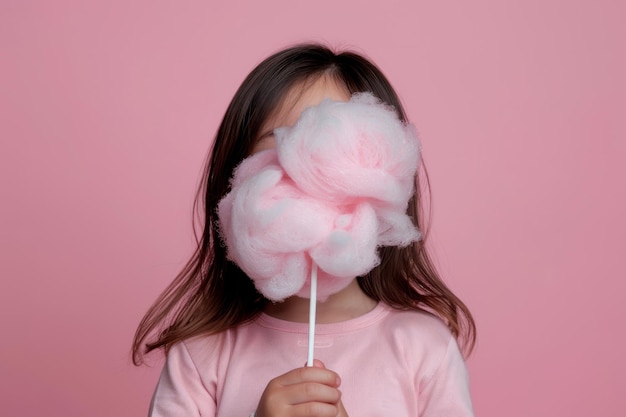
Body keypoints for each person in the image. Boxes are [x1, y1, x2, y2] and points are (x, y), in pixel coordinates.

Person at [133, 43, 477, 417]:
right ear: (237, 183)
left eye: (334, 150)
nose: (307, 177)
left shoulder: (424, 349)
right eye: (279, 145)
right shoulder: (201, 357)